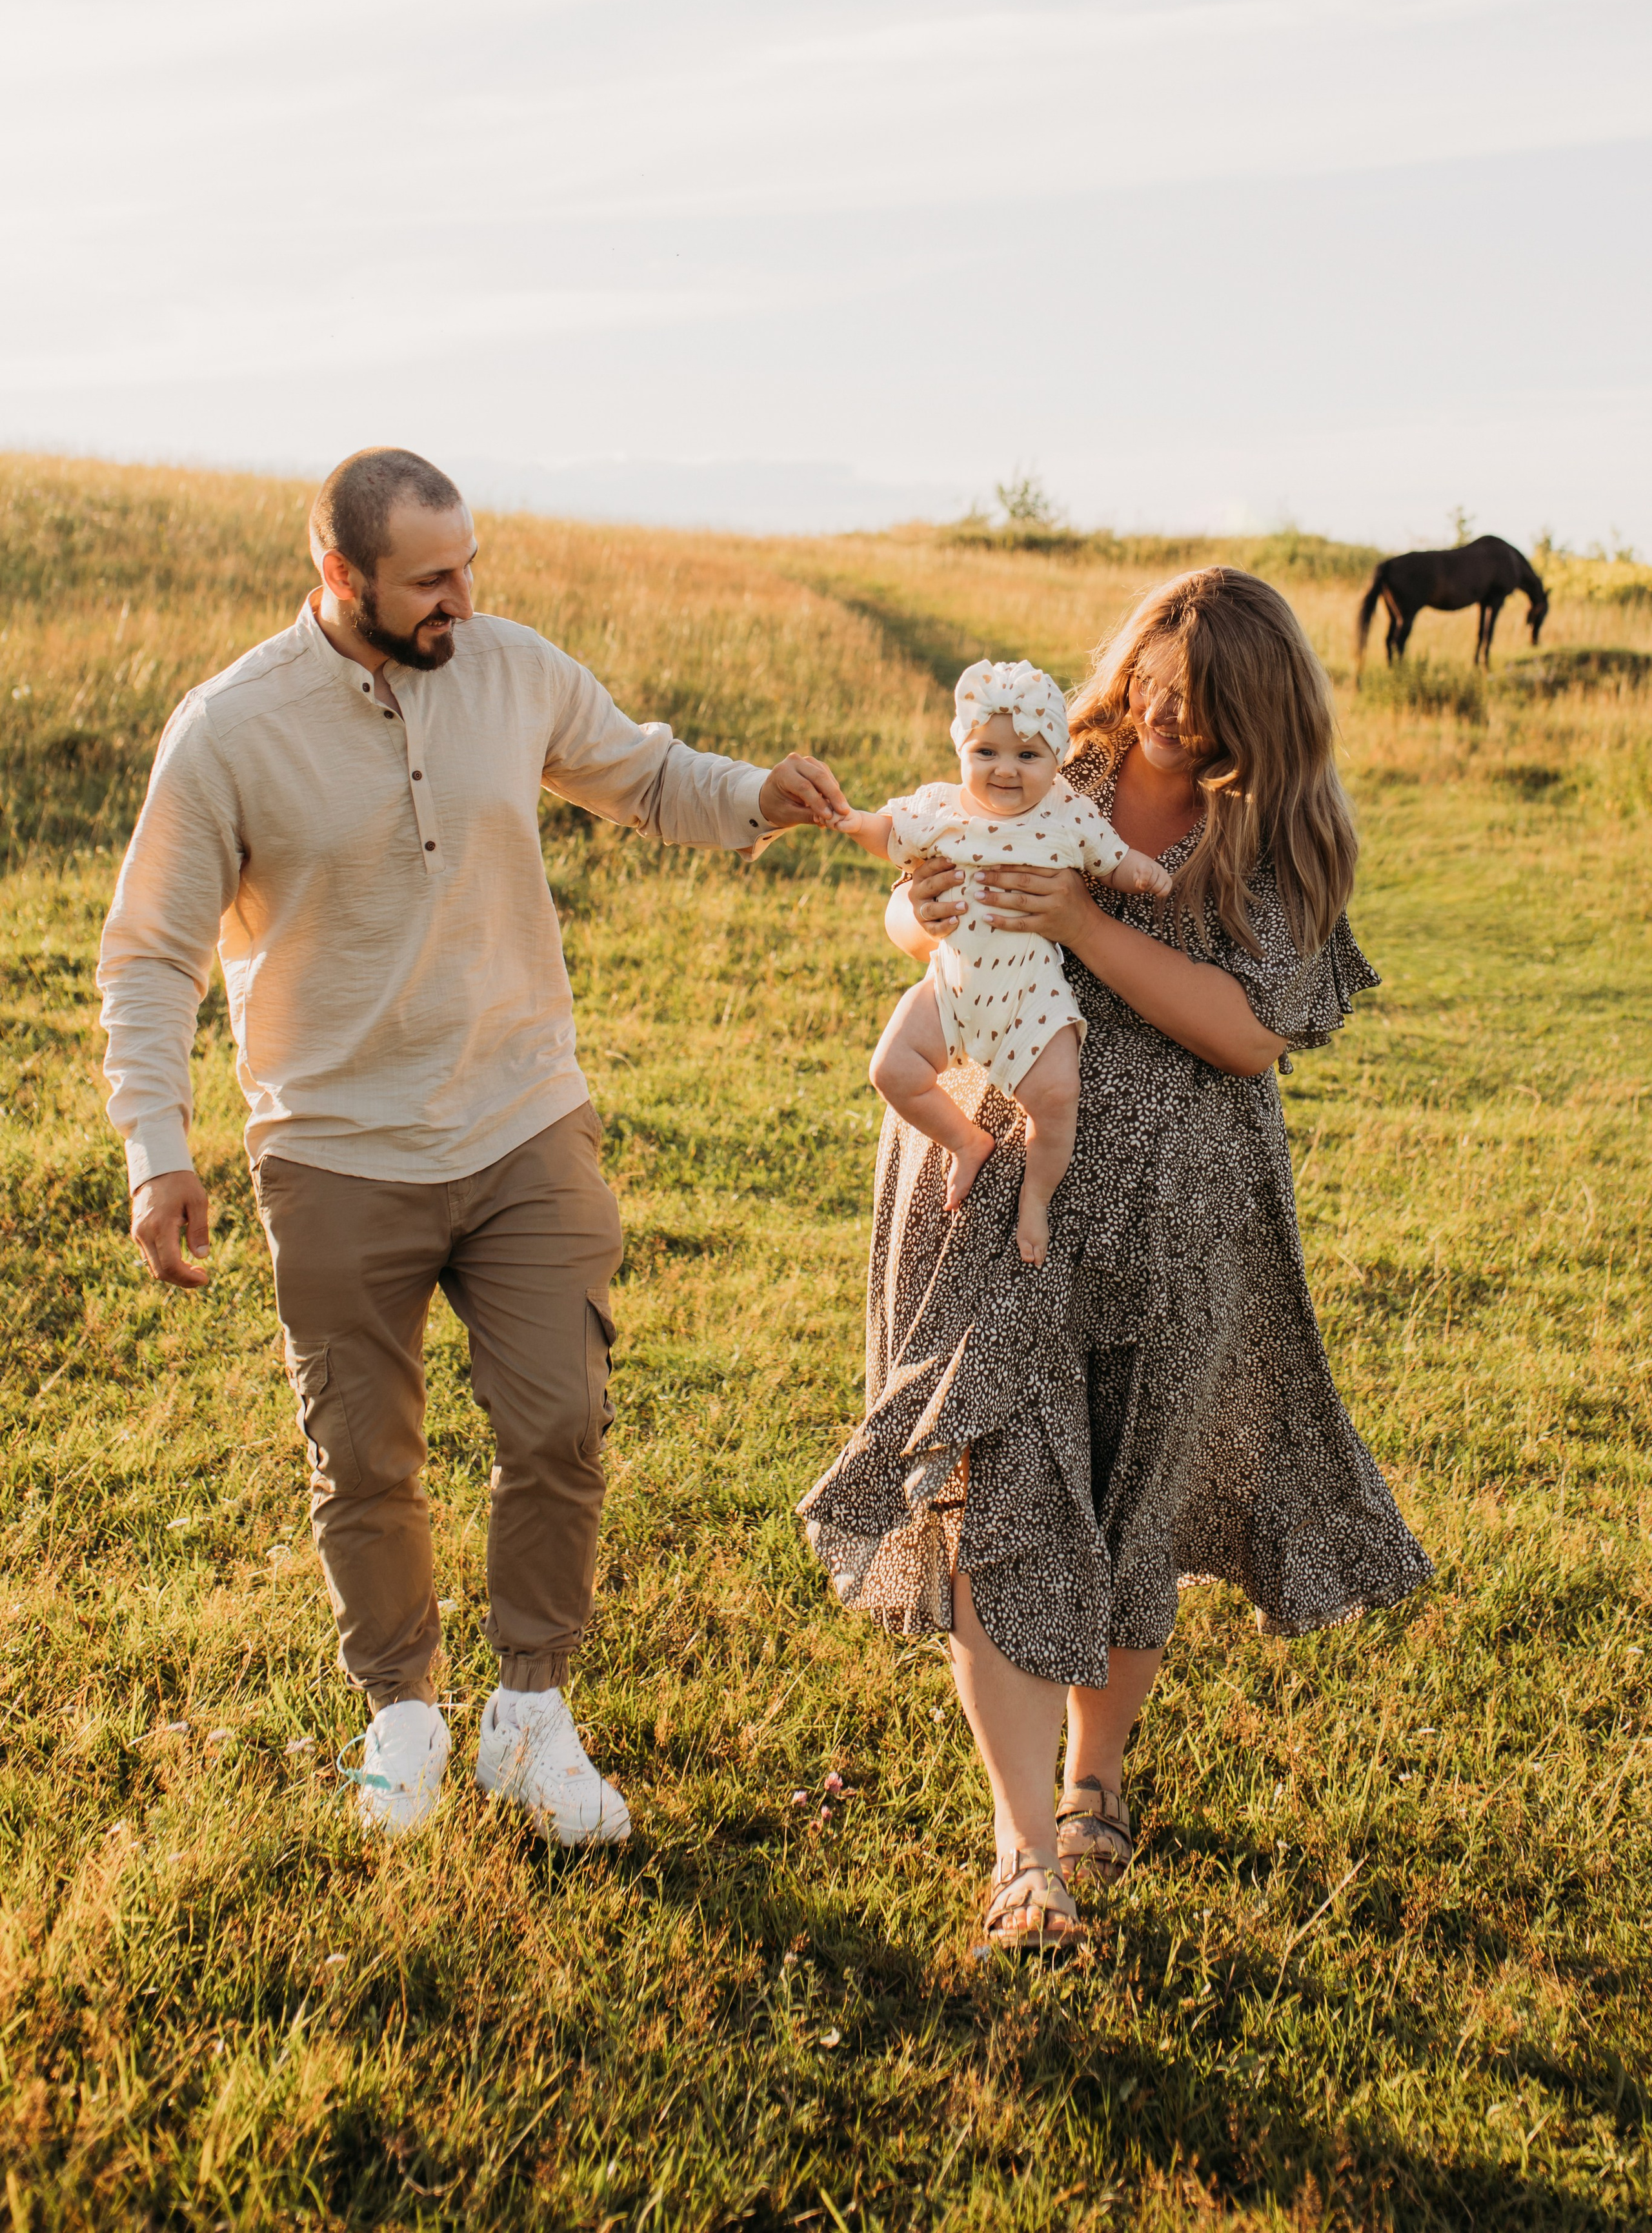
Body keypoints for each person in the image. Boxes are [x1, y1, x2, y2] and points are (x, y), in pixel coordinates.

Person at [98, 446, 849, 1843]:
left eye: (468, 569)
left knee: (559, 1421)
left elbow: (644, 777)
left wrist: (757, 795)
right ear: (339, 576)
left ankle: (530, 1720)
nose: (460, 601)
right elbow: (149, 955)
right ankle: (399, 1715)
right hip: (332, 1146)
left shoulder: (512, 669)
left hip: (520, 1120)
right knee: (365, 1457)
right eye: (428, 580)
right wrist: (157, 1146)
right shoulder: (229, 730)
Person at [799, 566, 1432, 1954]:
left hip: (1180, 1215)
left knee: (1135, 1491)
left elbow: (1247, 1032)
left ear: (1254, 727)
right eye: (1151, 701)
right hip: (995, 1182)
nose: (1164, 732)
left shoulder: (1271, 841)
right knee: (1001, 1486)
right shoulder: (1036, 756)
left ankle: (1097, 1777)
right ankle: (1023, 1853)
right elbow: (914, 913)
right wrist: (925, 899)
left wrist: (1080, 920)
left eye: (1198, 721)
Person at [831, 658, 1170, 1266]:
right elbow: (887, 834)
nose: (1005, 770)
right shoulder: (940, 808)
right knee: (892, 1069)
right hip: (952, 982)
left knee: (1058, 1095)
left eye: (1028, 756)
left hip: (1030, 994)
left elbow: (1110, 858)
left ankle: (1036, 1196)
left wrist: (1139, 873)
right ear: (962, 747)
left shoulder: (1066, 812)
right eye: (986, 752)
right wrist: (854, 821)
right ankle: (966, 1141)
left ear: (1056, 759)